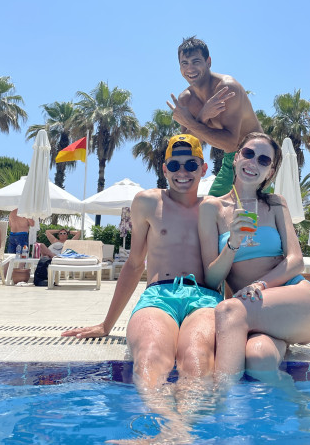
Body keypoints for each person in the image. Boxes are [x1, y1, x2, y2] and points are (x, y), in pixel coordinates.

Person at [62, 134, 222, 390]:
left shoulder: (214, 208)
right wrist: (106, 325)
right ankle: (163, 415)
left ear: (203, 169)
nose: (182, 172)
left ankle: (186, 416)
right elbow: (135, 264)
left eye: (191, 165)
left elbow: (229, 266)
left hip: (204, 298)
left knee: (197, 360)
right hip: (159, 296)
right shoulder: (148, 202)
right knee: (148, 356)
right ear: (165, 169)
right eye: (174, 165)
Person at [198, 132, 310, 379]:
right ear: (236, 158)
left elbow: (296, 260)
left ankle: (220, 398)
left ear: (270, 172)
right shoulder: (211, 208)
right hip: (253, 308)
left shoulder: (276, 204)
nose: (253, 162)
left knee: (229, 311)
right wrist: (232, 244)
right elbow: (212, 280)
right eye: (248, 154)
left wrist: (260, 285)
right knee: (259, 357)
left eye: (264, 160)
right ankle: (297, 400)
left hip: (294, 296)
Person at [167, 36, 263, 197]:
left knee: (250, 209)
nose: (190, 68)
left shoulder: (226, 88)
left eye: (196, 61)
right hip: (230, 159)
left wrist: (191, 123)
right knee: (212, 207)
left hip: (256, 158)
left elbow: (231, 143)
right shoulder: (186, 100)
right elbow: (187, 148)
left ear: (208, 62)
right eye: (184, 63)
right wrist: (203, 115)